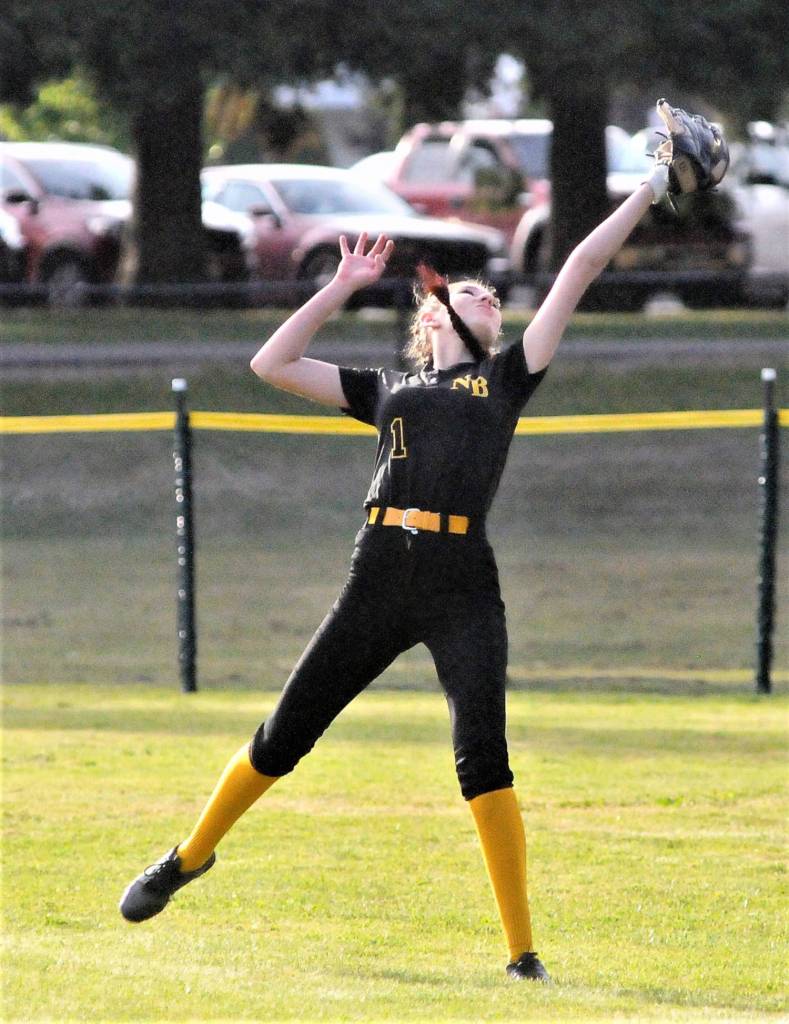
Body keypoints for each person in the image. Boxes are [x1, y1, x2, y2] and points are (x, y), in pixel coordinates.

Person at [119, 157, 673, 982]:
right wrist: (338, 286)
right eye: (479, 291)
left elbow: (580, 266)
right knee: (283, 737)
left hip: (459, 584)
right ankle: (190, 855)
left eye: (495, 296)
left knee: (483, 754)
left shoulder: (506, 379)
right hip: (377, 575)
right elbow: (270, 364)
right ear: (436, 312)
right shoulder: (387, 388)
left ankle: (522, 955)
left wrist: (649, 188)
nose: (491, 295)